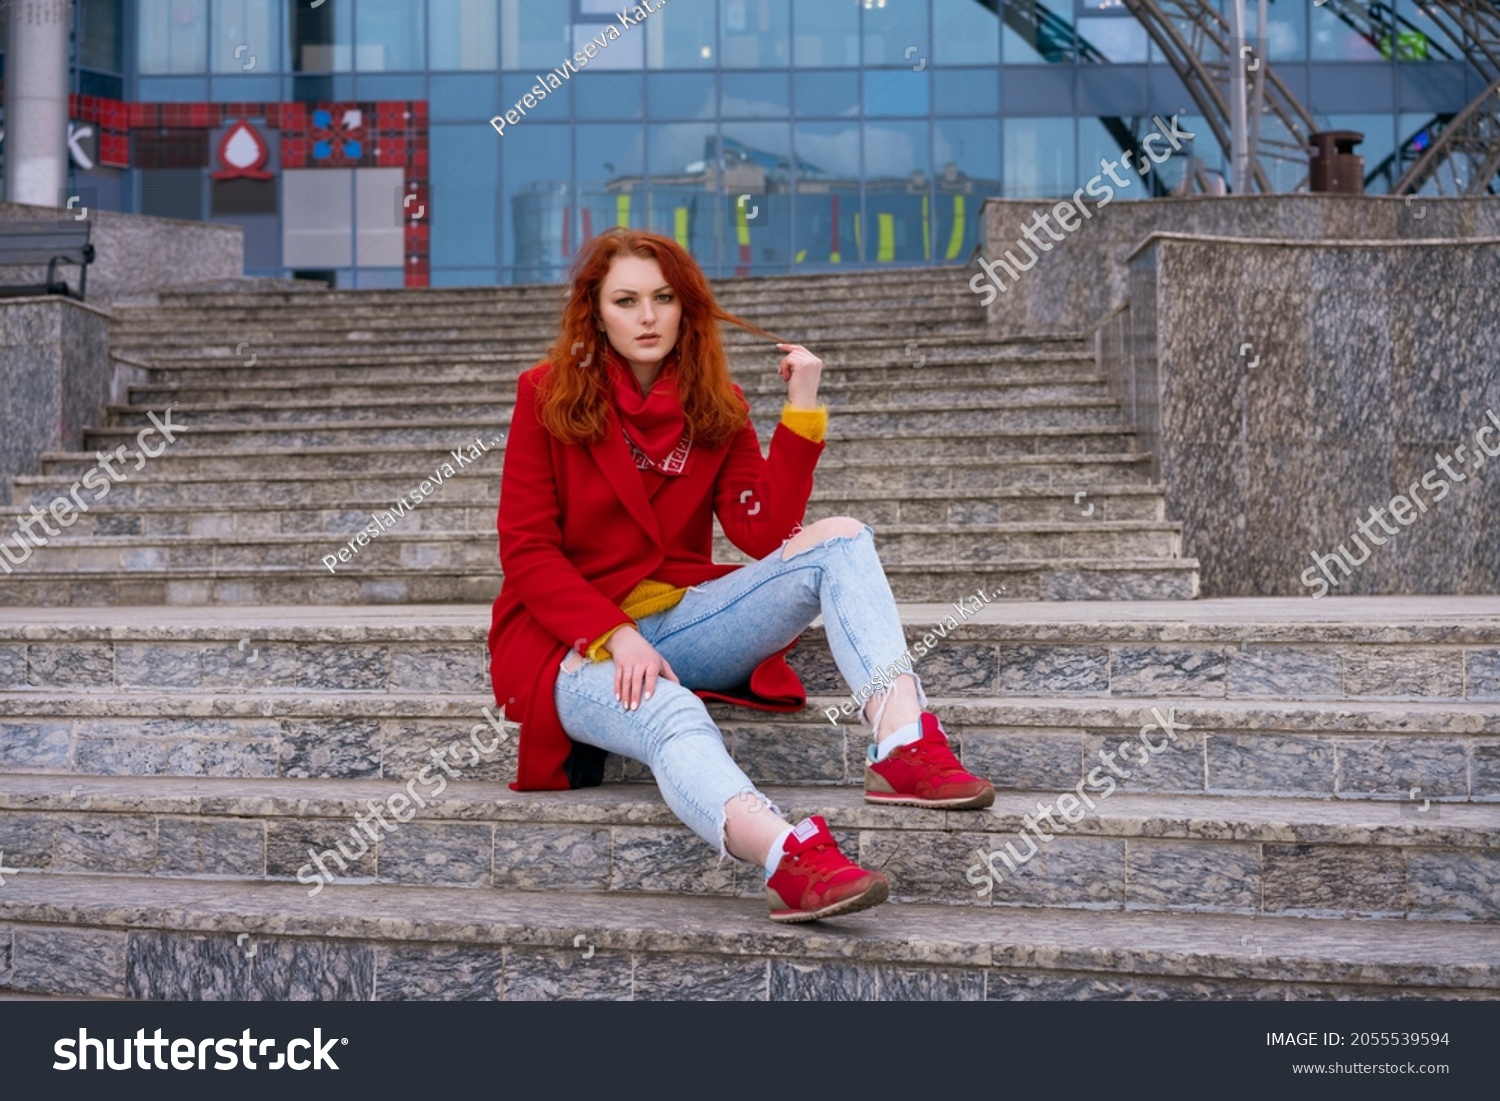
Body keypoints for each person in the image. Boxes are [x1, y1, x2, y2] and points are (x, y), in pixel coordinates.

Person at [487, 228, 995, 923]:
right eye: (626, 300)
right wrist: (612, 635)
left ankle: (903, 744)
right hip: (565, 642)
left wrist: (802, 408)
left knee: (842, 540)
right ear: (595, 311)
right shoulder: (545, 394)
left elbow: (761, 529)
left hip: (679, 620)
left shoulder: (711, 399)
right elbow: (527, 551)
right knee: (670, 709)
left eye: (663, 298)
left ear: (685, 306)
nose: (646, 316)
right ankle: (789, 856)